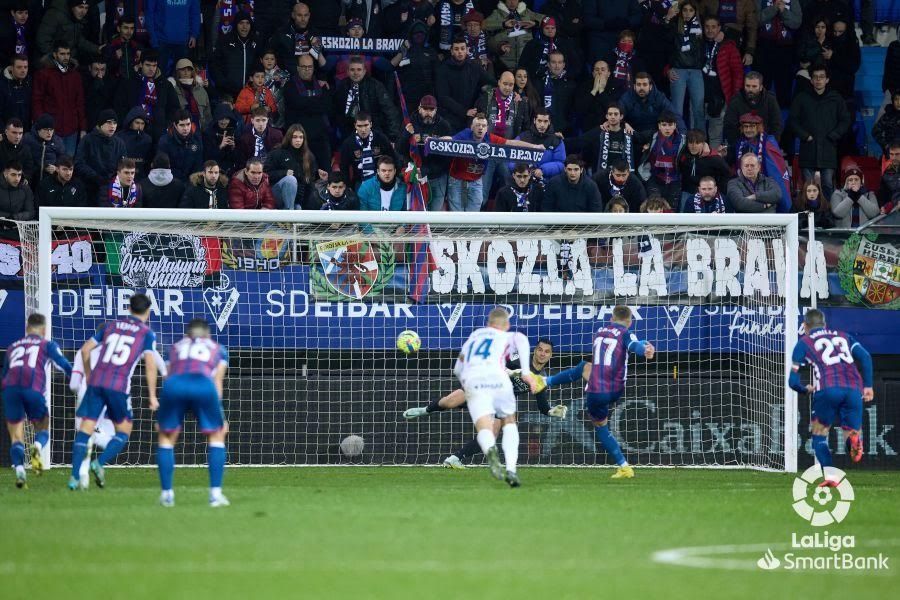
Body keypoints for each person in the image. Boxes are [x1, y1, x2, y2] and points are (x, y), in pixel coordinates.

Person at [403, 338, 566, 468]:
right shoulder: (518, 359)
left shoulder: (540, 379)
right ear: (535, 350)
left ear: (551, 355)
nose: (542, 354)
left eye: (547, 352)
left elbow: (542, 406)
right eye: (540, 349)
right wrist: (510, 372)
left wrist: (553, 411)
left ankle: (454, 459)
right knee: (449, 402)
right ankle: (425, 410)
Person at [68, 293, 159, 491]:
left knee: (85, 429)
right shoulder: (146, 333)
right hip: (118, 385)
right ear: (148, 312)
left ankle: (74, 478)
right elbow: (150, 365)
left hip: (96, 382)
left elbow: (85, 350)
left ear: (128, 309)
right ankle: (99, 463)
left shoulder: (110, 326)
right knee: (124, 430)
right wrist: (152, 395)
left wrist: (90, 374)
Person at [555, 305, 654, 479]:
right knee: (585, 368)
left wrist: (641, 345)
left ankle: (546, 381)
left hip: (597, 390)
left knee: (584, 370)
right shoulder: (626, 333)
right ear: (629, 322)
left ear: (611, 319)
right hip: (616, 389)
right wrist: (644, 348)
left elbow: (626, 343)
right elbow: (633, 345)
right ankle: (624, 467)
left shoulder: (600, 332)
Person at [453, 307, 539, 486]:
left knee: (484, 427)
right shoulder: (509, 336)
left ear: (488, 324)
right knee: (509, 421)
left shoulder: (475, 336)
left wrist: (466, 384)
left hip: (474, 380)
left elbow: (458, 368)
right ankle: (511, 469)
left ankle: (490, 449)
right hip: (499, 379)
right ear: (506, 324)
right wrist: (526, 373)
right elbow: (521, 340)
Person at [789, 309, 873, 480]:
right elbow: (865, 357)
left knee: (819, 437)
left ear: (805, 326)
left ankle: (831, 476)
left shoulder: (803, 343)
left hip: (827, 389)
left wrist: (805, 389)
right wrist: (868, 386)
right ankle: (855, 440)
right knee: (850, 433)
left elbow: (792, 381)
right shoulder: (844, 336)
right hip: (853, 389)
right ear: (824, 325)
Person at [156, 318, 230, 507]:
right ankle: (215, 495)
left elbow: (167, 375)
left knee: (166, 436)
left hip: (174, 385)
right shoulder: (218, 348)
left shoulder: (175, 347)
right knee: (217, 434)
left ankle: (166, 495)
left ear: (187, 334)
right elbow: (218, 381)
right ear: (207, 334)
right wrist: (218, 411)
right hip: (203, 385)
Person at [2, 313, 73, 488]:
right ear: (44, 329)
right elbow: (63, 364)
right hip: (33, 389)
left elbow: (4, 376)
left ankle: (20, 471)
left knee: (16, 436)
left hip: (10, 391)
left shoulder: (12, 347)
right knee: (42, 427)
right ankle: (37, 447)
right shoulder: (47, 345)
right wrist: (79, 381)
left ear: (27, 329)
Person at [444, 112, 544, 212]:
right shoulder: (465, 134)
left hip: (476, 180)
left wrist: (534, 146)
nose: (480, 128)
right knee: (456, 212)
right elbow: (450, 140)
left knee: (474, 212)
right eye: (478, 125)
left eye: (483, 126)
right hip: (457, 179)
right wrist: (434, 141)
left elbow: (511, 142)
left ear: (487, 128)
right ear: (472, 127)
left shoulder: (490, 138)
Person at [788, 65, 851, 203]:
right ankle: (809, 215)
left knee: (828, 185)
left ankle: (828, 216)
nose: (818, 80)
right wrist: (805, 136)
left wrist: (834, 135)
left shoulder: (836, 98)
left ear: (827, 79)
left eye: (821, 77)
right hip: (808, 148)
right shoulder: (802, 98)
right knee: (808, 187)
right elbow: (792, 120)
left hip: (828, 149)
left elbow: (846, 120)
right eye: (815, 77)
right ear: (811, 80)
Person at [398, 95, 452, 211]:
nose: (428, 112)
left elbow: (447, 158)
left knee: (434, 215)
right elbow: (399, 150)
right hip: (416, 177)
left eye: (431, 109)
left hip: (437, 177)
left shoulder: (443, 126)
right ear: (419, 108)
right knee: (419, 214)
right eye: (425, 109)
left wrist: (427, 170)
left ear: (436, 110)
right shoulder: (409, 123)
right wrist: (407, 135)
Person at [32, 40, 85, 156]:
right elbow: (37, 101)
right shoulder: (43, 74)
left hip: (72, 128)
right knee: (51, 164)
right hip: (51, 129)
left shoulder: (75, 76)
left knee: (67, 165)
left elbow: (80, 102)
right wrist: (41, 124)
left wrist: (83, 127)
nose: (66, 57)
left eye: (68, 53)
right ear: (55, 55)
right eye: (62, 54)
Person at [730, 112, 790, 212]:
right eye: (745, 127)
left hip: (765, 186)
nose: (748, 130)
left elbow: (776, 171)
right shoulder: (740, 143)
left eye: (752, 126)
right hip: (745, 187)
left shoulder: (768, 142)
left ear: (759, 127)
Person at [283, 53, 332, 171]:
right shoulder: (290, 86)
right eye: (304, 66)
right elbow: (297, 104)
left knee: (324, 170)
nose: (307, 70)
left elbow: (327, 106)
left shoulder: (321, 84)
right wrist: (315, 102)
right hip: (299, 138)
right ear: (298, 68)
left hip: (320, 137)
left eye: (309, 67)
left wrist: (306, 102)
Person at [434, 36, 495, 131]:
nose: (460, 52)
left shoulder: (475, 67)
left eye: (462, 48)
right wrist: (464, 111)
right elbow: (443, 97)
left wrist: (514, 93)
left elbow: (492, 82)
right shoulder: (443, 69)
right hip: (449, 117)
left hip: (470, 117)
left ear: (467, 50)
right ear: (451, 51)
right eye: (456, 49)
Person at [113, 51, 178, 141]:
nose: (151, 69)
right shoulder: (128, 84)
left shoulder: (166, 85)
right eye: (148, 65)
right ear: (140, 64)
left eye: (154, 65)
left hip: (160, 135)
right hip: (133, 134)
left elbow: (174, 108)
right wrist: (127, 125)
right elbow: (119, 107)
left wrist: (166, 126)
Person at [333, 56, 400, 140]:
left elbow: (390, 112)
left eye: (359, 69)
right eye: (352, 70)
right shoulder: (342, 86)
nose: (355, 73)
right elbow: (336, 111)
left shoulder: (376, 86)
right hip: (348, 134)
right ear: (347, 71)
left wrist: (393, 137)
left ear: (364, 71)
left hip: (373, 131)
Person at [701, 15, 743, 147]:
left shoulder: (728, 46)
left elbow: (738, 72)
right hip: (698, 97)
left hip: (719, 96)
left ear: (720, 28)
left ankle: (713, 163)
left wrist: (734, 96)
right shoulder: (698, 43)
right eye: (707, 27)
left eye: (713, 27)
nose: (710, 30)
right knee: (697, 134)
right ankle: (697, 164)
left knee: (715, 135)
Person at [265, 124, 326, 210]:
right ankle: (290, 213)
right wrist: (284, 173)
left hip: (297, 199)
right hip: (275, 194)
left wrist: (318, 176)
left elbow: (309, 183)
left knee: (298, 208)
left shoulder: (309, 156)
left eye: (301, 137)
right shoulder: (277, 153)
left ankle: (291, 212)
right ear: (289, 138)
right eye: (295, 137)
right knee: (290, 179)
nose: (298, 140)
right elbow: (266, 175)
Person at [666, 0, 705, 130]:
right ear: (680, 11)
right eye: (685, 10)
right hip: (678, 71)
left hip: (696, 72)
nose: (687, 13)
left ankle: (700, 142)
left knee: (698, 109)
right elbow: (665, 45)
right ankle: (678, 141)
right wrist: (667, 19)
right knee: (677, 110)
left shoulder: (701, 27)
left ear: (695, 12)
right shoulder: (674, 25)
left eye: (691, 10)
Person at [722, 71, 782, 152]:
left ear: (761, 87)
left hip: (766, 146)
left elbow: (776, 125)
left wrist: (770, 145)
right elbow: (729, 126)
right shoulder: (736, 100)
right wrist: (738, 146)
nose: (750, 89)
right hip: (740, 146)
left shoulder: (770, 100)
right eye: (747, 86)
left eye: (754, 86)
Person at [75, 109, 127, 202]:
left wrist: (113, 180)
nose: (112, 126)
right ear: (100, 124)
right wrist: (95, 177)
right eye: (109, 122)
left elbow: (123, 165)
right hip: (88, 188)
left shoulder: (120, 143)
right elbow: (79, 163)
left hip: (112, 189)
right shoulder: (87, 140)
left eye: (115, 123)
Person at [566, 102, 633, 172]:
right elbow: (579, 141)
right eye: (610, 114)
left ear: (621, 116)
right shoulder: (598, 131)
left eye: (615, 114)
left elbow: (642, 137)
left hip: (622, 176)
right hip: (600, 176)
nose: (613, 117)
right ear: (606, 116)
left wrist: (625, 124)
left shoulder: (628, 133)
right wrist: (559, 141)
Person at [637, 111, 685, 208]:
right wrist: (624, 124)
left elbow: (698, 143)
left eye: (670, 125)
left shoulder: (683, 140)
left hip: (674, 181)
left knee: (671, 211)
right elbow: (633, 137)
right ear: (659, 126)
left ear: (675, 125)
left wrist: (706, 146)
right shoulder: (651, 136)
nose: (667, 128)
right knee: (654, 208)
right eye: (664, 125)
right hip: (654, 179)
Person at [339, 111, 396, 189]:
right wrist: (348, 187)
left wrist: (395, 177)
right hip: (360, 181)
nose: (363, 129)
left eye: (366, 125)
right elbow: (344, 168)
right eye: (359, 126)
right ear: (355, 125)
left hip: (382, 179)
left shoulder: (380, 138)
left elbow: (393, 158)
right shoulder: (348, 143)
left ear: (371, 124)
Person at [209, 10, 259, 99]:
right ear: (236, 24)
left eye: (247, 23)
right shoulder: (224, 41)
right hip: (227, 95)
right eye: (241, 23)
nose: (245, 27)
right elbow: (214, 65)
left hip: (250, 94)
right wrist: (223, 83)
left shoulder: (256, 43)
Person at [676, 129, 730, 210]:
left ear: (703, 144)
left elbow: (727, 173)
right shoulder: (683, 155)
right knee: (684, 218)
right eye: (690, 143)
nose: (693, 146)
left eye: (697, 143)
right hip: (687, 192)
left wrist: (718, 189)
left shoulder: (714, 158)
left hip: (707, 193)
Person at [483, 0, 544, 71]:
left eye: (515, 0)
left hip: (525, 61)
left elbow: (546, 19)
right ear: (505, 1)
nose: (512, 2)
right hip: (504, 62)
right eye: (509, 0)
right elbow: (484, 25)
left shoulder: (526, 12)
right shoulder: (497, 13)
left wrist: (535, 23)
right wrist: (503, 24)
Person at [618, 72, 684, 137]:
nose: (641, 88)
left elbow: (675, 116)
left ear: (650, 86)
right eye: (638, 84)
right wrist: (624, 124)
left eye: (645, 84)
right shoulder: (627, 97)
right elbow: (617, 114)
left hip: (655, 136)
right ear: (634, 86)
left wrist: (683, 137)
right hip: (632, 135)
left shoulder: (659, 97)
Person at [146, 0, 201, 76]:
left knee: (182, 79)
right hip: (161, 41)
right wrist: (153, 38)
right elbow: (149, 13)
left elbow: (195, 14)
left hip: (183, 41)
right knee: (159, 77)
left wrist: (194, 34)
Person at [509, 109, 566, 182]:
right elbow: (510, 160)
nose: (542, 125)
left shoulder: (557, 140)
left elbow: (560, 164)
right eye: (539, 121)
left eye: (545, 121)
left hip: (549, 182)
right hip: (523, 181)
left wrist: (543, 170)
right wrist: (525, 169)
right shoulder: (522, 137)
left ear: (549, 122)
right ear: (534, 121)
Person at [35, 0, 99, 62]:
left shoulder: (76, 17)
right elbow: (42, 41)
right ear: (72, 6)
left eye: (86, 8)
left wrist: (97, 49)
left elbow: (79, 40)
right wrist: (59, 58)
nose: (83, 11)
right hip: (49, 62)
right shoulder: (55, 14)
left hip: (68, 61)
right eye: (80, 7)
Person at [572, 60, 623, 132]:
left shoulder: (617, 86)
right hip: (588, 128)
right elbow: (579, 109)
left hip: (610, 127)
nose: (599, 72)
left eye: (603, 69)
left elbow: (615, 110)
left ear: (608, 73)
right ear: (593, 73)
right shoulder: (584, 86)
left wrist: (601, 91)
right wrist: (594, 90)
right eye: (597, 70)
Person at [157, 110, 203, 182]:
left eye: (188, 124)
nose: (186, 128)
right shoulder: (165, 141)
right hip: (172, 181)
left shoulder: (196, 139)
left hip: (193, 181)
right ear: (175, 125)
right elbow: (163, 166)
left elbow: (199, 163)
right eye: (182, 125)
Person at [537, 50, 575, 134]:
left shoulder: (571, 84)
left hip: (566, 131)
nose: (557, 66)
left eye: (560, 62)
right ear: (548, 64)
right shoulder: (540, 83)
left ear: (564, 65)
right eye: (553, 62)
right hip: (543, 130)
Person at [168, 58, 211, 130]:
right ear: (177, 72)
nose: (186, 72)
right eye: (182, 69)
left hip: (199, 128)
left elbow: (207, 113)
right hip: (179, 128)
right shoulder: (172, 90)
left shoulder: (200, 90)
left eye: (188, 70)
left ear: (192, 72)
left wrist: (206, 130)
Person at [23, 113, 64, 185]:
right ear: (38, 130)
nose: (49, 133)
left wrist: (56, 168)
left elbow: (63, 160)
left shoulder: (58, 142)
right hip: (31, 181)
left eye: (51, 130)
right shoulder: (27, 139)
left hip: (50, 182)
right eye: (46, 129)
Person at [82, 58, 117, 135]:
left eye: (102, 70)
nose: (99, 73)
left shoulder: (111, 82)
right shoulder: (83, 81)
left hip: (105, 125)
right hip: (89, 126)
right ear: (89, 68)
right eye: (96, 69)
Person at [103, 13, 142, 81]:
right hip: (117, 87)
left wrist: (140, 62)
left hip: (133, 85)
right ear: (118, 29)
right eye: (126, 28)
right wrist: (116, 59)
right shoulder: (111, 46)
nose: (129, 32)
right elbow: (106, 70)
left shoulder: (137, 47)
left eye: (132, 28)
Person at [118, 107, 152, 179]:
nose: (140, 126)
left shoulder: (148, 139)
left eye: (142, 123)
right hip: (122, 176)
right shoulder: (119, 137)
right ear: (130, 122)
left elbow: (148, 161)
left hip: (141, 177)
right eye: (137, 123)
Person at [0, 54, 32, 130]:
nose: (23, 70)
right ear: (11, 68)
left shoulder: (30, 82)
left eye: (25, 67)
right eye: (19, 67)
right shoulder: (2, 85)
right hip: (8, 133)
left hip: (27, 132)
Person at [0, 2, 34, 68]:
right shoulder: (5, 30)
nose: (23, 16)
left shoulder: (29, 28)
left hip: (25, 64)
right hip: (8, 65)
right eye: (20, 13)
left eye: (26, 13)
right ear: (13, 13)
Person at [872, 90, 900, 158]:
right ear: (893, 101)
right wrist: (885, 145)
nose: (899, 102)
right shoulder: (887, 116)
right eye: (896, 99)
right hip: (891, 153)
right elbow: (875, 131)